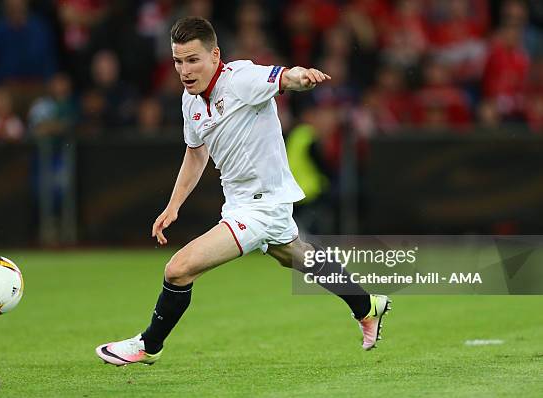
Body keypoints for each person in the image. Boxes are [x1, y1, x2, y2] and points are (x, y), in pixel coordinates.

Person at [95, 17, 391, 367]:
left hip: (261, 208)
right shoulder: (190, 103)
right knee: (299, 257)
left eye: (193, 60)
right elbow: (196, 153)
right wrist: (173, 205)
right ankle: (367, 305)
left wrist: (302, 76)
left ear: (215, 55)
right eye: (178, 61)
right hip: (241, 204)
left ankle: (149, 344)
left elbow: (283, 77)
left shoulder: (241, 78)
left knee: (178, 269)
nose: (185, 70)